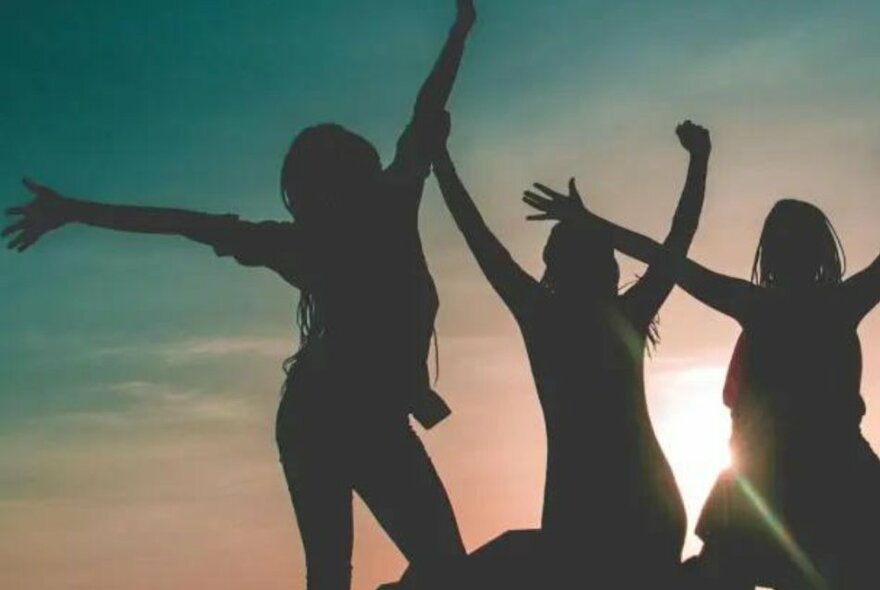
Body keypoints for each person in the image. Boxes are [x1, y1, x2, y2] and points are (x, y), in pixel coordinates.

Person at [3, 2, 478, 589]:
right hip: (327, 417)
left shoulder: (372, 210)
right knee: (362, 572)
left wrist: (460, 31)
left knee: (395, 571)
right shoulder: (367, 214)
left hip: (348, 414)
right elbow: (183, 221)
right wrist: (74, 211)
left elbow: (426, 108)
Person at [525, 181, 880, 589]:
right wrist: (591, 223)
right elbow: (666, 258)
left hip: (771, 485)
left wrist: (590, 224)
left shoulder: (758, 305)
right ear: (821, 253)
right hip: (830, 483)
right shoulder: (839, 303)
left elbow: (665, 258)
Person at [431, 114, 711, 586]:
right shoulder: (623, 315)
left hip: (586, 514)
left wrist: (439, 159)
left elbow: (476, 235)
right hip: (645, 512)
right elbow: (677, 242)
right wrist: (699, 162)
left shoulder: (544, 316)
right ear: (609, 267)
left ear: (552, 267)